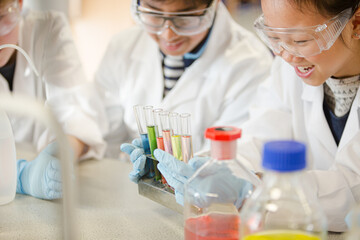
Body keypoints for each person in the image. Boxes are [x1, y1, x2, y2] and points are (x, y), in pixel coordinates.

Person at [155, 0, 360, 232]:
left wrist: (254, 189)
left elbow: (353, 189)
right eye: (274, 37)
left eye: (301, 40)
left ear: (356, 22)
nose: (285, 55)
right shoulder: (288, 69)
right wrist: (215, 168)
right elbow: (261, 138)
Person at [97, 0, 272, 160]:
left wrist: (197, 174)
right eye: (154, 14)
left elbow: (233, 160)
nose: (168, 35)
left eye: (185, 18)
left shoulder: (251, 64)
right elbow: (103, 136)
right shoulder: (123, 46)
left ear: (215, 4)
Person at [0, 0, 107, 199]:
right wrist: (23, 175)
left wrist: (60, 154)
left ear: (19, 4)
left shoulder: (47, 28)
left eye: (1, 18)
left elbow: (77, 117)